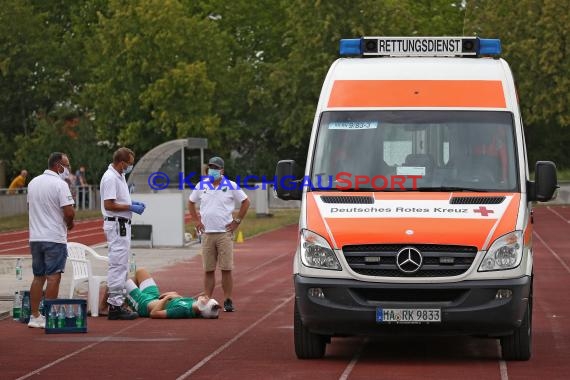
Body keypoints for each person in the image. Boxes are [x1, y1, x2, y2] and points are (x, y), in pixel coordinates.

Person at [188, 156, 250, 312]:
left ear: (222, 170)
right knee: (208, 269)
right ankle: (207, 299)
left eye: (215, 168)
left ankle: (228, 299)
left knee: (226, 268)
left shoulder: (231, 185)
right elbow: (191, 202)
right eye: (210, 167)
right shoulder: (201, 185)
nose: (212, 170)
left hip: (224, 233)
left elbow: (246, 202)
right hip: (207, 233)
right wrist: (196, 221)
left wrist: (237, 221)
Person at [26, 153, 75, 328]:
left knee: (38, 277)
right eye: (67, 165)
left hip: (36, 237)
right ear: (58, 166)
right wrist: (70, 224)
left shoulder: (32, 183)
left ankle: (34, 316)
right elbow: (69, 212)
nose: (68, 169)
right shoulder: (60, 185)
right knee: (54, 277)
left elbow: (30, 207)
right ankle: (50, 316)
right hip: (54, 237)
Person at [100, 147, 146, 320]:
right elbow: (109, 205)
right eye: (129, 164)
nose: (130, 167)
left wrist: (131, 202)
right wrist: (130, 206)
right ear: (121, 163)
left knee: (122, 265)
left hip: (122, 225)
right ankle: (115, 305)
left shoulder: (120, 176)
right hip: (117, 225)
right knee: (118, 266)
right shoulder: (111, 177)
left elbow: (119, 200)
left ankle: (116, 302)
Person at [125, 267, 221, 319]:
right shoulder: (192, 303)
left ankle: (119, 305)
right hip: (154, 297)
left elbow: (154, 314)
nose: (206, 297)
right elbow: (178, 300)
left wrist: (167, 298)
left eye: (206, 300)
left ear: (202, 307)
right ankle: (128, 301)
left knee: (121, 278)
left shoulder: (182, 310)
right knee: (141, 271)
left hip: (143, 304)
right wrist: (174, 295)